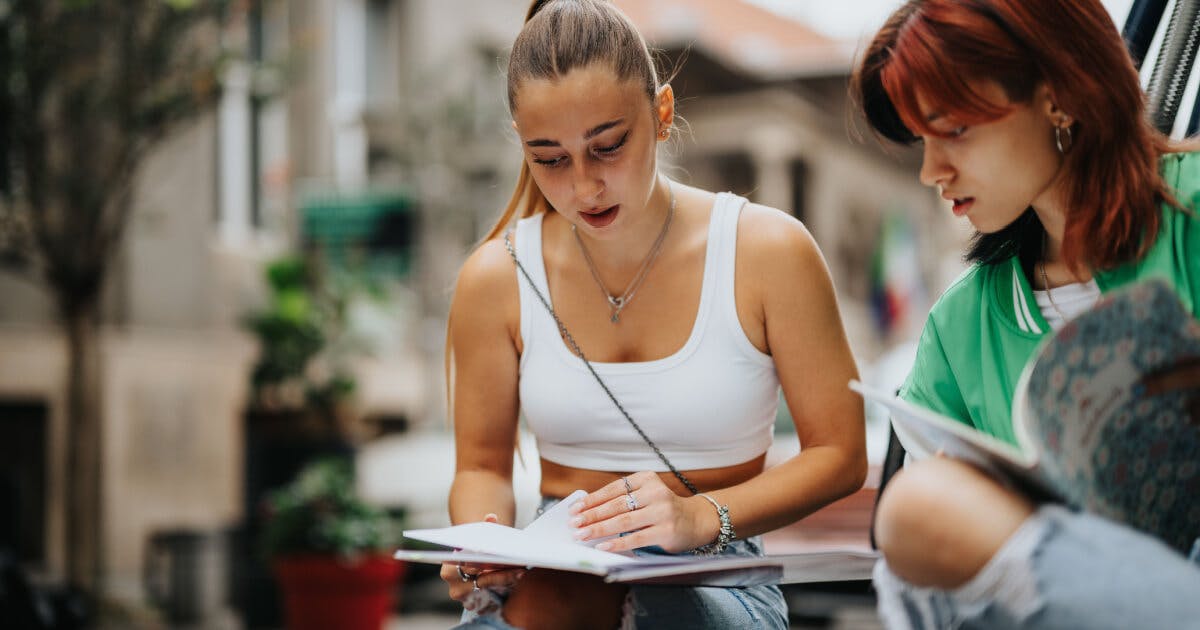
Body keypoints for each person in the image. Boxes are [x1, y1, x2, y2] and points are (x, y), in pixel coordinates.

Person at [440, 0, 867, 627]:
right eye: (550, 159)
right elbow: (480, 467)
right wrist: (484, 545)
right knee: (559, 600)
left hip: (719, 568)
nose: (584, 187)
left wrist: (700, 516)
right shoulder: (495, 276)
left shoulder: (766, 251)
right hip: (553, 577)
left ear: (662, 114)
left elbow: (840, 453)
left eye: (608, 146)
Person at [851, 0, 1200, 628]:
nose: (932, 170)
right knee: (916, 517)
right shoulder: (960, 328)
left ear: (1058, 94)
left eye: (953, 128)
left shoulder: (1192, 211)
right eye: (921, 141)